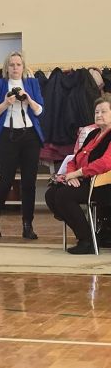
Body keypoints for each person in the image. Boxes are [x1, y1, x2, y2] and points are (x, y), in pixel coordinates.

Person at [0, 51, 45, 239]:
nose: (15, 68)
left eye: (18, 64)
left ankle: (28, 225)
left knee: (29, 182)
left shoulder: (32, 83)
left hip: (30, 136)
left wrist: (29, 99)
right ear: (6, 67)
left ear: (23, 67)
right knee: (6, 180)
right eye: (12, 65)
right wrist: (5, 103)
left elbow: (40, 111)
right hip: (7, 136)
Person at [46, 95, 111, 254]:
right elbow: (74, 159)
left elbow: (105, 163)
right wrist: (71, 174)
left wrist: (78, 173)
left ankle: (87, 240)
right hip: (85, 180)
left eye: (103, 112)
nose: (99, 115)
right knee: (51, 194)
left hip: (102, 184)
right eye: (96, 112)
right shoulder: (93, 134)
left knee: (63, 196)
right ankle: (87, 235)